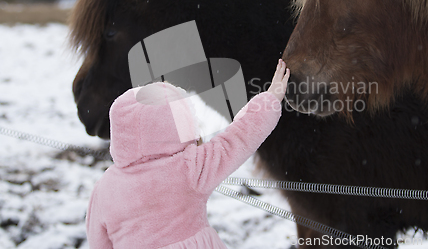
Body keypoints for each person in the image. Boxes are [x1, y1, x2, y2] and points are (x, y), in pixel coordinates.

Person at [86, 59, 290, 248]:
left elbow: (99, 242)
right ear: (176, 124)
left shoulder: (104, 188)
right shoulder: (189, 168)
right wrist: (270, 100)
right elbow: (237, 138)